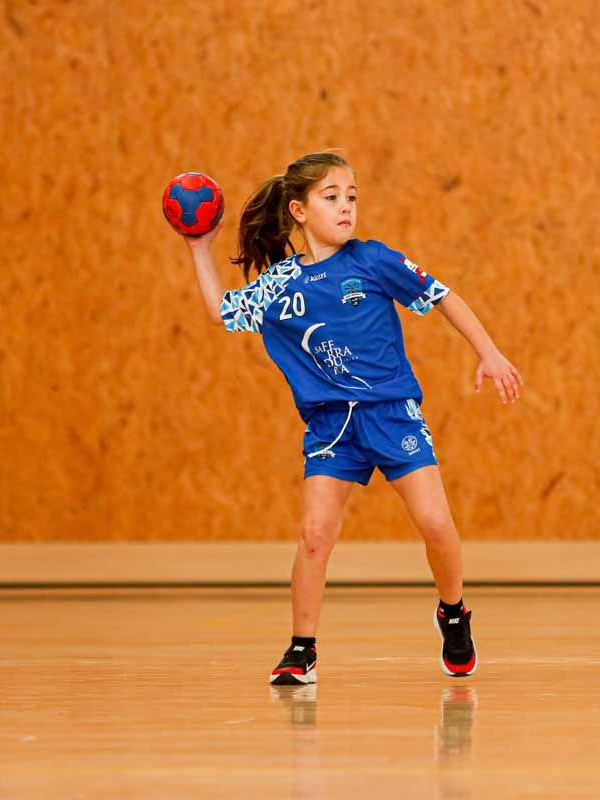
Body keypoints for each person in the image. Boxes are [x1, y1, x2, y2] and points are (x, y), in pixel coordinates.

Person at [181, 151, 523, 685]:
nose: (346, 208)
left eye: (352, 197)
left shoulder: (373, 261)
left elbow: (444, 298)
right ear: (298, 210)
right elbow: (222, 311)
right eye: (332, 197)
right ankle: (302, 649)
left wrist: (489, 351)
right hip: (330, 426)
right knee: (315, 535)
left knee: (435, 524)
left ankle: (453, 614)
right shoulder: (280, 286)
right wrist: (199, 246)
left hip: (391, 415)